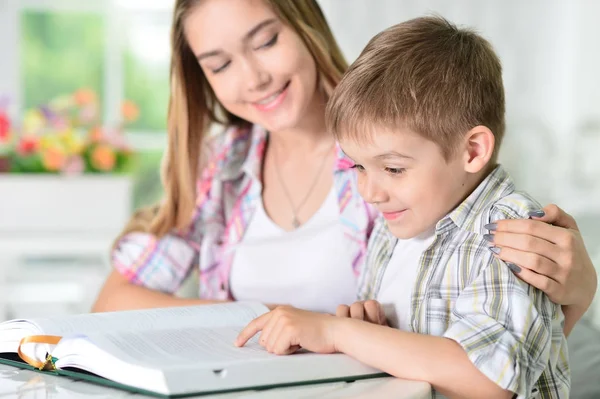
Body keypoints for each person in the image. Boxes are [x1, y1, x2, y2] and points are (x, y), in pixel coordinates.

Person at [92, 0, 596, 335]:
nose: (254, 78)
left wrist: (578, 290)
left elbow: (497, 332)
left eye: (266, 41)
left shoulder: (392, 145)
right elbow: (114, 301)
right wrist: (276, 320)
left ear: (306, 26)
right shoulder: (221, 165)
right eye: (220, 65)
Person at [235, 16, 569, 398]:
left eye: (393, 168)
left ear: (472, 150)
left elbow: (490, 380)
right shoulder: (394, 227)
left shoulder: (509, 231)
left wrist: (339, 332)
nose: (369, 191)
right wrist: (371, 332)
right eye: (358, 166)